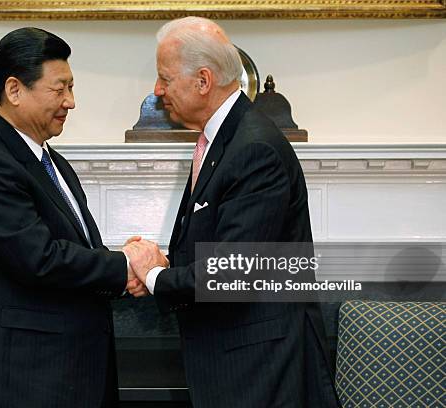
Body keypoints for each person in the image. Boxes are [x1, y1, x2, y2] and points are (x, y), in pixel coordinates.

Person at [127, 17, 340, 407]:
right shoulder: (226, 138)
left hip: (260, 368)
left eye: (165, 78)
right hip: (237, 362)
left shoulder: (253, 148)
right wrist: (169, 263)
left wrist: (153, 275)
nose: (157, 90)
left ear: (203, 81)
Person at [0, 27, 165, 408]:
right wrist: (126, 264)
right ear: (15, 90)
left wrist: (120, 260)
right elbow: (40, 259)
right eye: (59, 89)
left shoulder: (52, 162)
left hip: (73, 373)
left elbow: (73, 249)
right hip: (27, 380)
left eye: (71, 88)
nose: (71, 101)